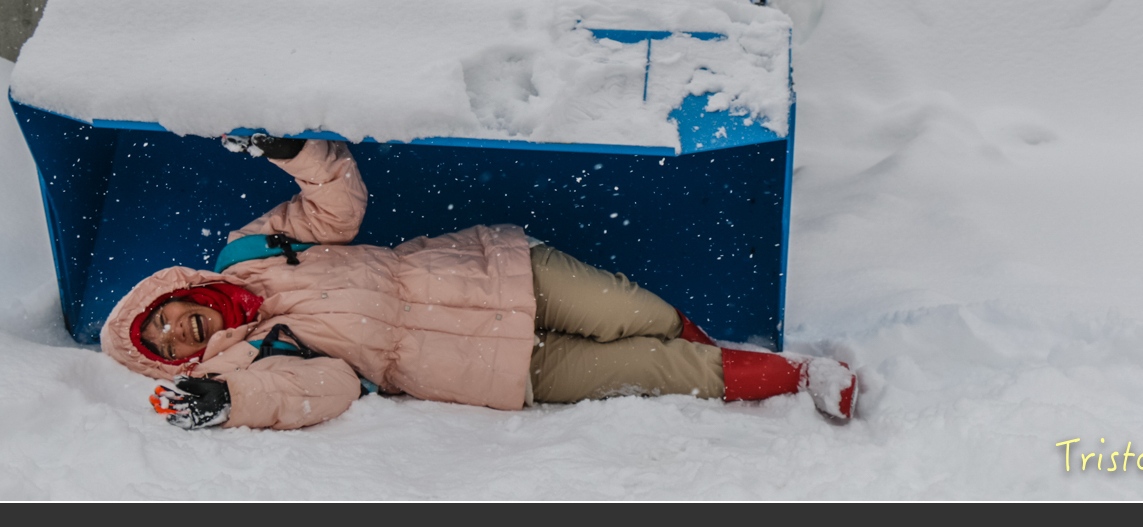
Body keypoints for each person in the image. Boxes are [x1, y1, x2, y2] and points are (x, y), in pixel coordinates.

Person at [101, 137, 857, 431]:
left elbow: (340, 205)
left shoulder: (249, 250)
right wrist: (230, 402)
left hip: (495, 270)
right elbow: (326, 386)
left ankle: (713, 342)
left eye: (161, 317)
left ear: (175, 292)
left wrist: (292, 150)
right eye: (162, 346)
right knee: (648, 368)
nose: (175, 332)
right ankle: (803, 377)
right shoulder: (243, 362)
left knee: (636, 310)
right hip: (495, 369)